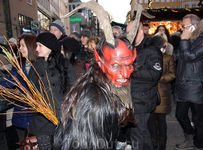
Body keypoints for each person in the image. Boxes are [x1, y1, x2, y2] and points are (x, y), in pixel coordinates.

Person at [28, 32, 77, 150]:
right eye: (36, 45)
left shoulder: (64, 64)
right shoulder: (35, 67)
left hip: (61, 115)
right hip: (42, 116)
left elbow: (74, 87)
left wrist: (71, 106)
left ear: (49, 47)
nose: (36, 49)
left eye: (40, 45)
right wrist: (33, 101)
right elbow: (31, 91)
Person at [126, 22, 163, 150]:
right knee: (142, 131)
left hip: (143, 99)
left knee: (136, 135)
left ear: (141, 32)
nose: (128, 35)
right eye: (127, 32)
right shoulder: (130, 48)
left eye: (131, 32)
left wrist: (132, 70)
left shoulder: (151, 49)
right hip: (133, 97)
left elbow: (155, 73)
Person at [0, 32, 38, 149]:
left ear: (31, 47)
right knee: (27, 142)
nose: (19, 48)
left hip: (38, 110)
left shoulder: (40, 64)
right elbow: (11, 82)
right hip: (23, 108)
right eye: (19, 45)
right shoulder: (19, 63)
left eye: (23, 46)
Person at [173, 14, 203, 150]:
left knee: (198, 119)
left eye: (185, 26)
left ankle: (198, 142)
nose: (182, 29)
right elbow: (178, 56)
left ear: (194, 26)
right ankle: (190, 136)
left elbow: (190, 57)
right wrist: (184, 40)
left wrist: (184, 40)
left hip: (196, 86)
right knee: (180, 114)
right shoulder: (189, 39)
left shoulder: (201, 40)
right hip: (183, 84)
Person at [148, 32, 176, 150]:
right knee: (152, 119)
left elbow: (172, 75)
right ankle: (154, 143)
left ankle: (162, 145)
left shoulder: (168, 58)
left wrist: (157, 77)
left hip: (163, 92)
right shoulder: (149, 57)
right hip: (150, 92)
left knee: (161, 119)